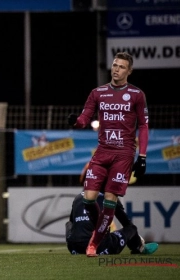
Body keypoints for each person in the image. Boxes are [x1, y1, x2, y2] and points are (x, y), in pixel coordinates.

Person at [67, 52, 149, 257]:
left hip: (123, 155)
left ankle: (94, 243)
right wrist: (76, 122)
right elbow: (85, 118)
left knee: (110, 200)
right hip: (103, 152)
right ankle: (101, 230)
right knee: (89, 198)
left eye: (121, 67)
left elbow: (144, 126)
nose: (116, 69)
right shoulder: (98, 92)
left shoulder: (137, 95)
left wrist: (143, 156)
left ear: (129, 71)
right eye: (114, 65)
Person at [66, 192, 158, 255]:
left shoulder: (78, 197)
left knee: (69, 224)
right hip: (101, 248)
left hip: (74, 248)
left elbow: (72, 223)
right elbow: (126, 222)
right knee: (132, 228)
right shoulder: (110, 198)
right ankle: (139, 247)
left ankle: (79, 245)